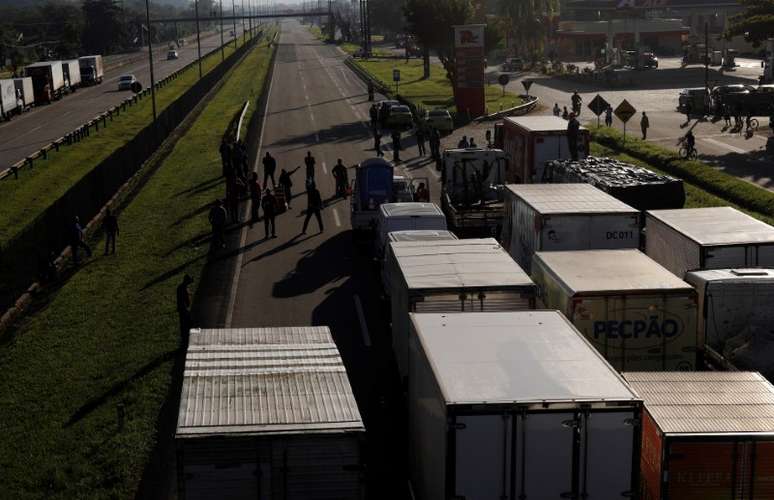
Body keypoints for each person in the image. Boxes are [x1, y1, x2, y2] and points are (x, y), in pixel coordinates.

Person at [176, 274, 194, 343]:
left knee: (187, 324)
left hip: (184, 308)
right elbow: (182, 300)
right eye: (189, 281)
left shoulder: (183, 287)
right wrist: (186, 310)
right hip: (183, 309)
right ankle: (185, 339)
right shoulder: (182, 288)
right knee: (185, 324)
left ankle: (186, 338)